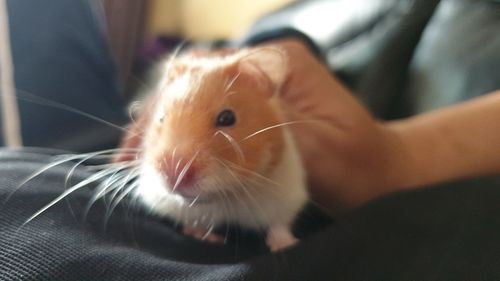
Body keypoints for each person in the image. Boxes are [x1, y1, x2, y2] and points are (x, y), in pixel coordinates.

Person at [1, 0, 500, 280]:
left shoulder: (296, 142)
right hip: (82, 157)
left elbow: (288, 196)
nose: (180, 165)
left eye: (223, 120)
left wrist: (396, 159)